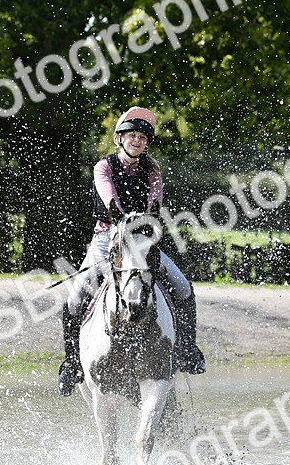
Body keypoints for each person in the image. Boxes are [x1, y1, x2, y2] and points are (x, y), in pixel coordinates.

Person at [57, 106, 206, 395]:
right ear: (119, 138)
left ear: (146, 143)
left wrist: (143, 226)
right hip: (107, 238)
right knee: (75, 297)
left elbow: (154, 203)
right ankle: (72, 364)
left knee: (183, 287)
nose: (137, 141)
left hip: (142, 239)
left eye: (142, 137)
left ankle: (188, 350)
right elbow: (110, 200)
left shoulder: (153, 170)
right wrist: (123, 221)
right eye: (131, 136)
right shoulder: (104, 167)